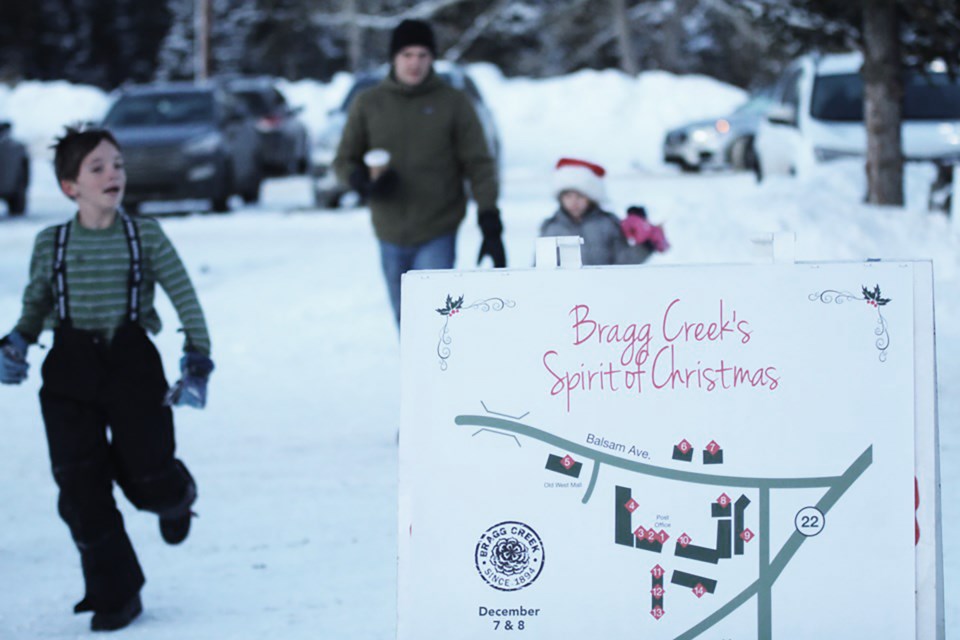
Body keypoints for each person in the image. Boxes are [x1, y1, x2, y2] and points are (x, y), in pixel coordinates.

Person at [0, 126, 214, 632]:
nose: (112, 174)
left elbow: (185, 297)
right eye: (97, 167)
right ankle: (116, 592)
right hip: (70, 368)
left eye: (117, 164)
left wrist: (198, 355)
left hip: (132, 364)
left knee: (147, 471)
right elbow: (36, 304)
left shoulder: (145, 236)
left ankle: (173, 497)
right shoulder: (51, 243)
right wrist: (17, 342)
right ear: (69, 185)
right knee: (80, 487)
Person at [333, 18, 505, 326]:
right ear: (394, 58)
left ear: (432, 59)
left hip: (438, 228)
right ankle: (417, 375)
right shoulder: (369, 103)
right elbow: (344, 159)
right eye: (407, 55)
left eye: (423, 55)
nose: (415, 63)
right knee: (406, 322)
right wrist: (361, 181)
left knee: (435, 320)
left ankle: (439, 374)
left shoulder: (453, 102)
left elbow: (478, 162)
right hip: (389, 229)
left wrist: (489, 215)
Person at [540, 157, 663, 265]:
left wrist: (645, 246)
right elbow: (541, 266)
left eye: (580, 196)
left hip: (604, 288)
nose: (574, 202)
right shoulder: (552, 228)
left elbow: (624, 261)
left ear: (591, 198)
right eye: (568, 196)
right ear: (560, 198)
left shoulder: (608, 224)